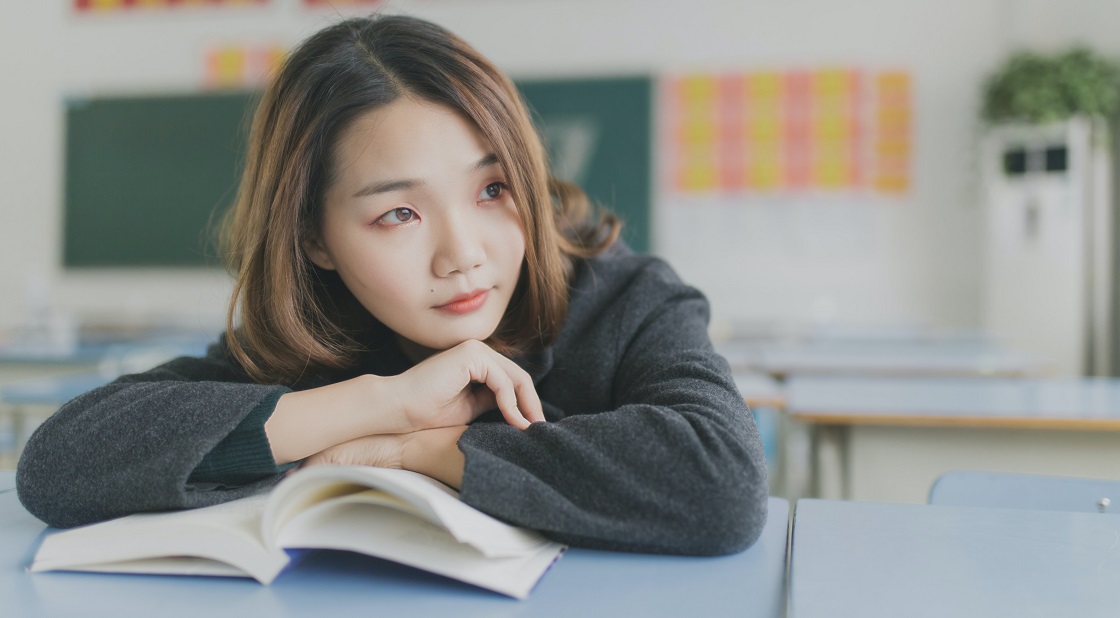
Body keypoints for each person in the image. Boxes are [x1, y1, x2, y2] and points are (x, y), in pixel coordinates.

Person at [17, 14, 767, 555]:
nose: (463, 255)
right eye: (400, 213)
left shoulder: (624, 300)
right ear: (314, 237)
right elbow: (60, 464)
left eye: (493, 189)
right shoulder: (324, 336)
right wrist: (381, 402)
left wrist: (418, 451)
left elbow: (722, 484)